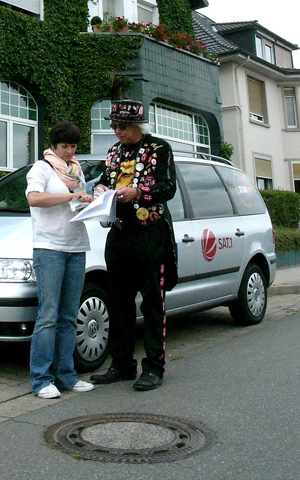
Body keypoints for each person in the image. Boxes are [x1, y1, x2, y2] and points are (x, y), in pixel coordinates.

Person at [90, 99, 177, 391]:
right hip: (120, 233)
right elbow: (103, 179)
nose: (117, 131)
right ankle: (122, 363)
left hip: (150, 233)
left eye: (122, 126)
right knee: (119, 301)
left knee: (152, 302)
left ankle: (154, 367)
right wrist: (100, 189)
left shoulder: (159, 148)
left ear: (138, 126)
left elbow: (168, 188)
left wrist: (138, 193)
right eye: (114, 126)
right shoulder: (114, 152)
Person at [26, 121, 95, 399]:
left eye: (73, 146)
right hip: (49, 247)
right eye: (64, 146)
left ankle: (67, 376)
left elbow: (75, 202)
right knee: (48, 315)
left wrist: (91, 201)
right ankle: (41, 379)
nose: (69, 151)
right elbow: (34, 198)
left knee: (69, 316)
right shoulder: (41, 168)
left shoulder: (76, 171)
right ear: (53, 145)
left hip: (76, 246)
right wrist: (69, 196)